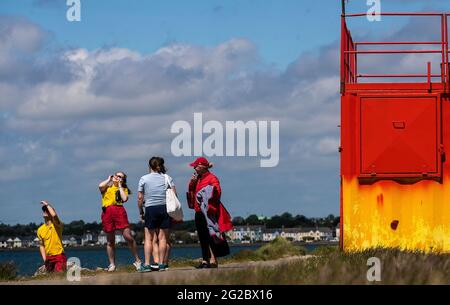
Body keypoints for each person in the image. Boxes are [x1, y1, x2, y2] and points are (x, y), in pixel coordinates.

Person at [187, 157, 233, 269]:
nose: (194, 168)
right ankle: (205, 260)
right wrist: (192, 182)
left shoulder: (212, 178)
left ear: (202, 167)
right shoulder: (198, 178)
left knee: (211, 236)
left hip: (208, 212)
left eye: (196, 166)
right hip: (198, 211)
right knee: (202, 237)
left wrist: (210, 202)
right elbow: (191, 190)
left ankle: (213, 260)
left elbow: (217, 191)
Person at [137, 157, 177, 272]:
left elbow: (140, 198)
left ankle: (147, 264)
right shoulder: (167, 178)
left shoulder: (143, 178)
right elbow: (174, 194)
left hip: (150, 208)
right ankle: (161, 264)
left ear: (149, 166)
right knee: (163, 238)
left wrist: (141, 211)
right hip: (164, 208)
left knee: (148, 238)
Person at [98, 172, 141, 272]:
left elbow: (124, 198)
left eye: (120, 176)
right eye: (116, 175)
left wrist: (120, 185)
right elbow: (100, 186)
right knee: (110, 240)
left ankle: (138, 261)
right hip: (107, 212)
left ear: (123, 179)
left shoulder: (123, 189)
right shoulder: (107, 187)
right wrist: (109, 179)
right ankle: (112, 264)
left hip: (119, 211)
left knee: (128, 237)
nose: (117, 177)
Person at [37, 200, 67, 273]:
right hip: (49, 258)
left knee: (59, 277)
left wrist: (47, 204)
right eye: (44, 210)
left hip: (59, 255)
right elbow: (41, 245)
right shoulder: (40, 229)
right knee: (50, 278)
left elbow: (54, 216)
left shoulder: (57, 225)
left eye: (47, 210)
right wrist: (45, 260)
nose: (45, 211)